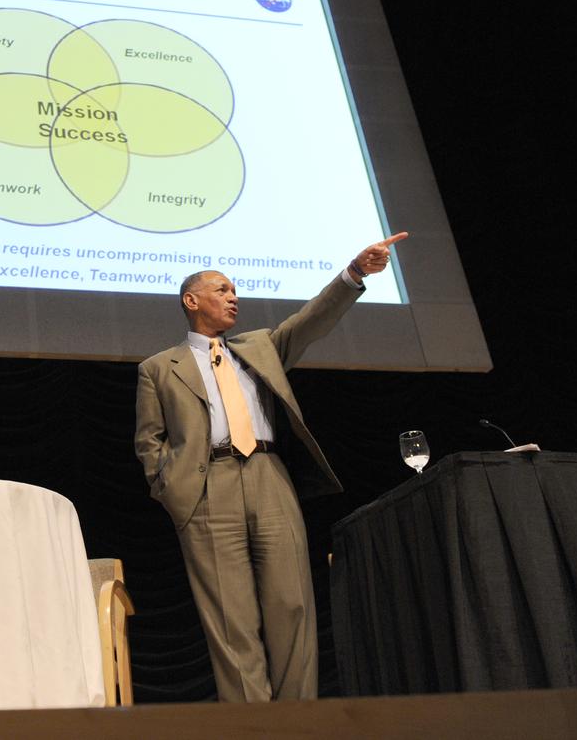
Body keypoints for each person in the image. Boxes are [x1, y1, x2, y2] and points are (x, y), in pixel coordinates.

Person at [134, 232, 407, 702]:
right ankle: (253, 725)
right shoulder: (159, 368)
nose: (233, 297)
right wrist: (170, 489)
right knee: (230, 619)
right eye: (222, 289)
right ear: (191, 300)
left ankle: (297, 722)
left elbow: (311, 320)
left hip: (269, 477)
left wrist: (355, 272)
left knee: (292, 604)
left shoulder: (259, 346)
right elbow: (149, 441)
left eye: (235, 290)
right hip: (206, 490)